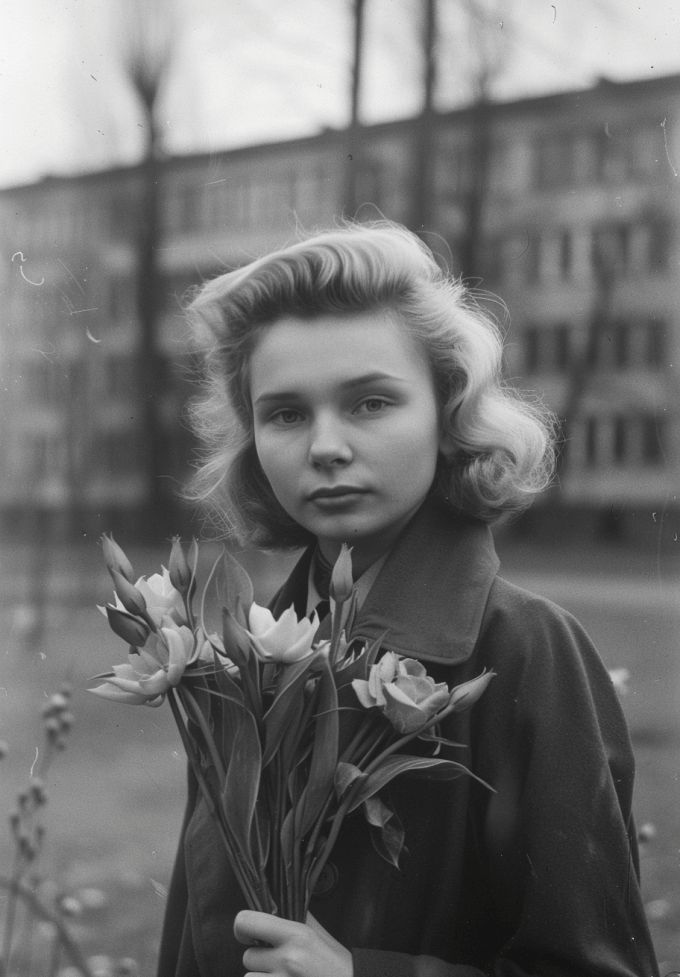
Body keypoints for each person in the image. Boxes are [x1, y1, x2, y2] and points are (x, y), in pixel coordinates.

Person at [157, 223, 659, 977]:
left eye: (370, 403)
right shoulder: (239, 661)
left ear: (449, 416)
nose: (325, 446)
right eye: (285, 413)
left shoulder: (529, 650)